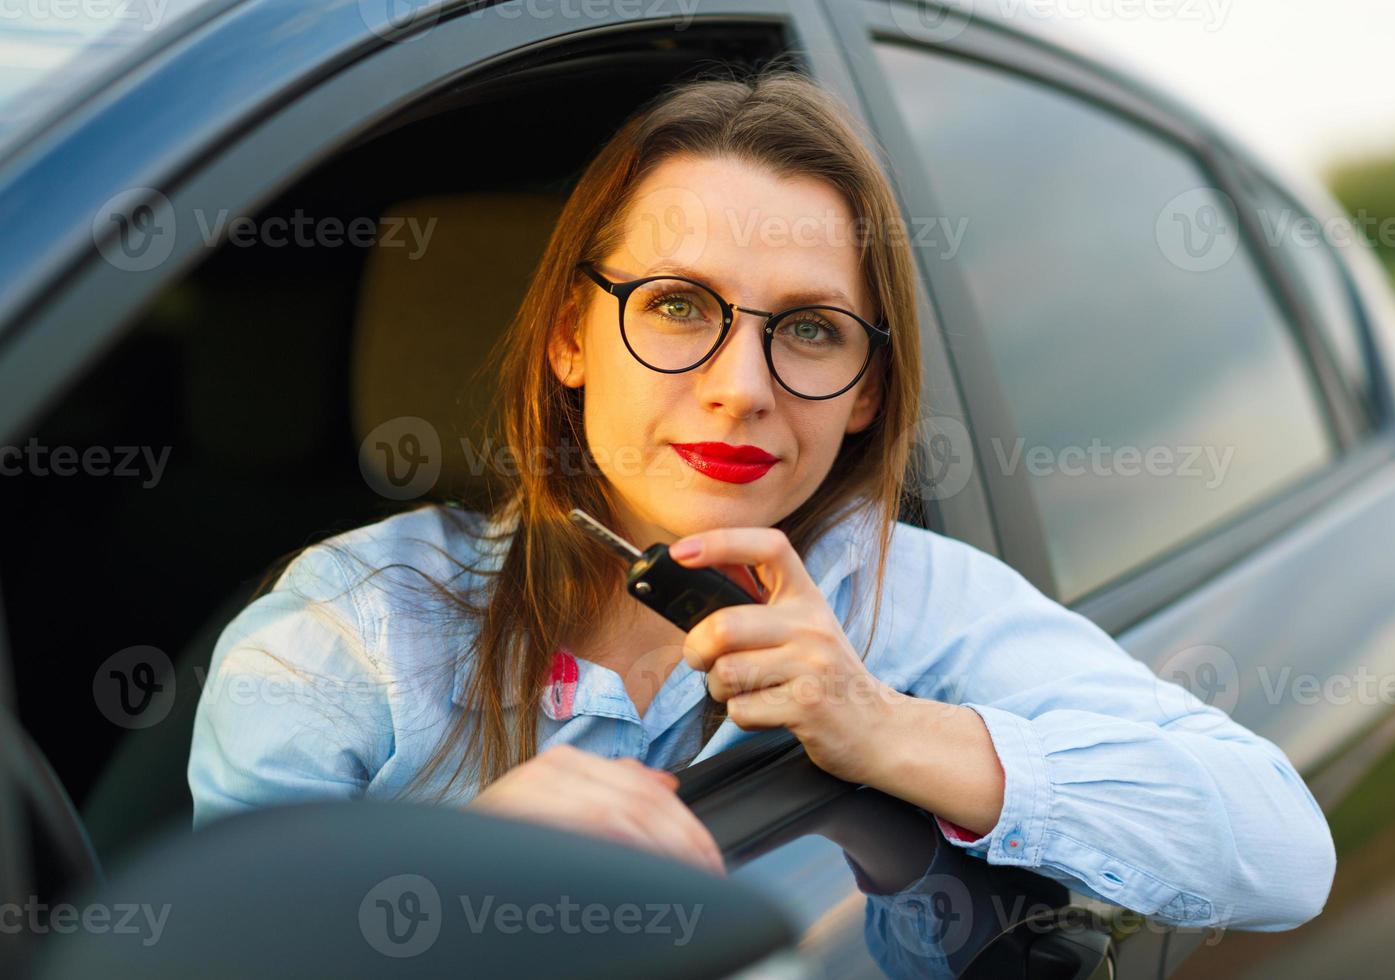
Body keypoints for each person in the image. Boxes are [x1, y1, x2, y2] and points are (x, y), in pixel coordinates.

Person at [187, 63, 1335, 931]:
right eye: (680, 305)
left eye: (811, 329)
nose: (741, 389)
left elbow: (1280, 847)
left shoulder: (906, 602)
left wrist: (880, 724)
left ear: (870, 390)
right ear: (570, 337)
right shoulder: (350, 631)